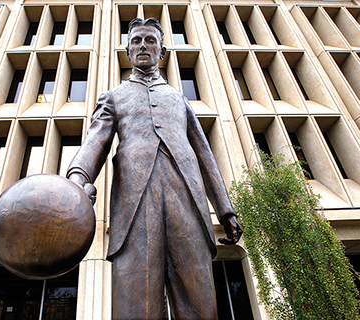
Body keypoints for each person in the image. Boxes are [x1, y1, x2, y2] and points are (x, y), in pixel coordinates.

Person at [67, 18, 242, 319]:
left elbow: (204, 156)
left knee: (199, 303)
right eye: (136, 41)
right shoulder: (114, 97)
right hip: (135, 209)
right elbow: (95, 142)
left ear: (162, 51)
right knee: (137, 308)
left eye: (150, 40)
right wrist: (76, 179)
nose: (143, 46)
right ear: (128, 51)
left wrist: (225, 210)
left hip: (185, 203)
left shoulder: (179, 99)